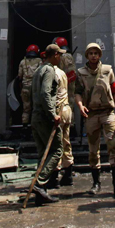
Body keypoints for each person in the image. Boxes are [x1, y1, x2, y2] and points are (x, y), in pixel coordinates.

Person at [75, 41, 115, 198]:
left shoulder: (107, 70)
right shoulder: (81, 72)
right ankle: (95, 183)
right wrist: (79, 105)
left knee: (113, 145)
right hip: (91, 114)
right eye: (90, 53)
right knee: (93, 149)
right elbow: (77, 92)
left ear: (99, 55)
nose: (93, 56)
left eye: (96, 53)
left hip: (107, 112)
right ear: (87, 55)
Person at [29, 43, 66, 204]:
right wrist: (52, 114)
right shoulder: (49, 70)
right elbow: (45, 93)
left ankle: (40, 192)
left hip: (36, 116)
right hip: (45, 117)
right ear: (55, 55)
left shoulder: (38, 70)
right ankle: (39, 183)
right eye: (60, 54)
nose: (61, 57)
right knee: (57, 149)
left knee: (43, 153)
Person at [52, 36, 77, 186]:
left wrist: (61, 84)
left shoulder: (64, 57)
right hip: (67, 90)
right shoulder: (67, 56)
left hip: (64, 92)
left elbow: (71, 74)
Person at [18, 44, 42, 127]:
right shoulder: (39, 61)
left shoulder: (22, 62)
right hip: (36, 87)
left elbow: (19, 76)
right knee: (36, 107)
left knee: (26, 108)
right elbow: (41, 74)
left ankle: (25, 127)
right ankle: (36, 127)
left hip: (25, 87)